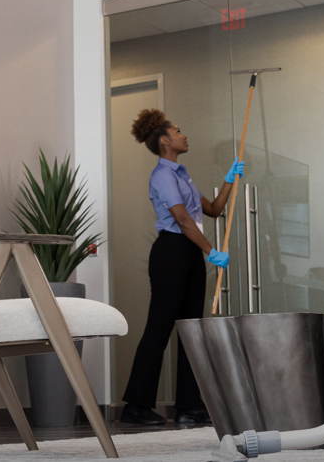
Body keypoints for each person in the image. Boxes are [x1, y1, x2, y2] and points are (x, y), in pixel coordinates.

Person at [118, 108, 239, 426]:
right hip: (171, 252)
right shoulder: (161, 175)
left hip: (190, 253)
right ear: (164, 141)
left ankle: (189, 406)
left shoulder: (182, 174)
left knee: (191, 331)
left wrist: (229, 180)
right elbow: (182, 219)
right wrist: (212, 251)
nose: (184, 135)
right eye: (178, 131)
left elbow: (212, 209)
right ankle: (136, 406)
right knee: (159, 328)